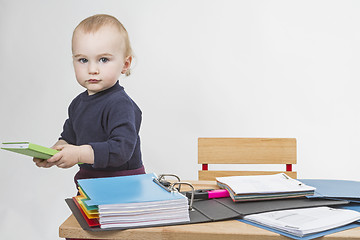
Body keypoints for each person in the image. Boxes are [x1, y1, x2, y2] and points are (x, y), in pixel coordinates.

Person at [33, 14, 145, 188]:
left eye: (103, 59)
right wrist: (55, 152)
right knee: (85, 215)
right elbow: (69, 138)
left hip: (124, 186)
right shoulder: (77, 104)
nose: (92, 69)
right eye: (83, 60)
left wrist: (78, 154)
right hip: (89, 184)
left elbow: (120, 150)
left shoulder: (120, 104)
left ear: (125, 64)